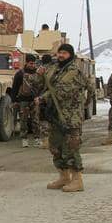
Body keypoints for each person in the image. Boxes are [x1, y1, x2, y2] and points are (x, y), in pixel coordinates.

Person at [38, 44, 91, 192]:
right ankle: (64, 177)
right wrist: (41, 80)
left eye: (64, 53)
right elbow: (47, 87)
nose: (61, 55)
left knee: (71, 147)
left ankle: (77, 180)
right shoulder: (56, 69)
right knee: (55, 146)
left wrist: (45, 94)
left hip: (70, 116)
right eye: (59, 52)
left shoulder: (74, 71)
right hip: (56, 114)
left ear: (70, 55)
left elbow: (61, 91)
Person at [10, 55, 43, 147]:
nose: (33, 65)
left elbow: (41, 87)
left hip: (34, 100)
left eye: (34, 63)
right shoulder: (20, 74)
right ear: (26, 63)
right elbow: (15, 88)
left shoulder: (38, 73)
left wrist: (40, 98)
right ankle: (24, 139)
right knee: (23, 120)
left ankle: (37, 138)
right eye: (31, 63)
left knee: (36, 120)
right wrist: (14, 101)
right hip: (23, 100)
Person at [36, 54, 53, 149]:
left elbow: (37, 84)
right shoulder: (55, 69)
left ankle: (45, 141)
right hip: (53, 98)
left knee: (43, 119)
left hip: (43, 98)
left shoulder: (40, 70)